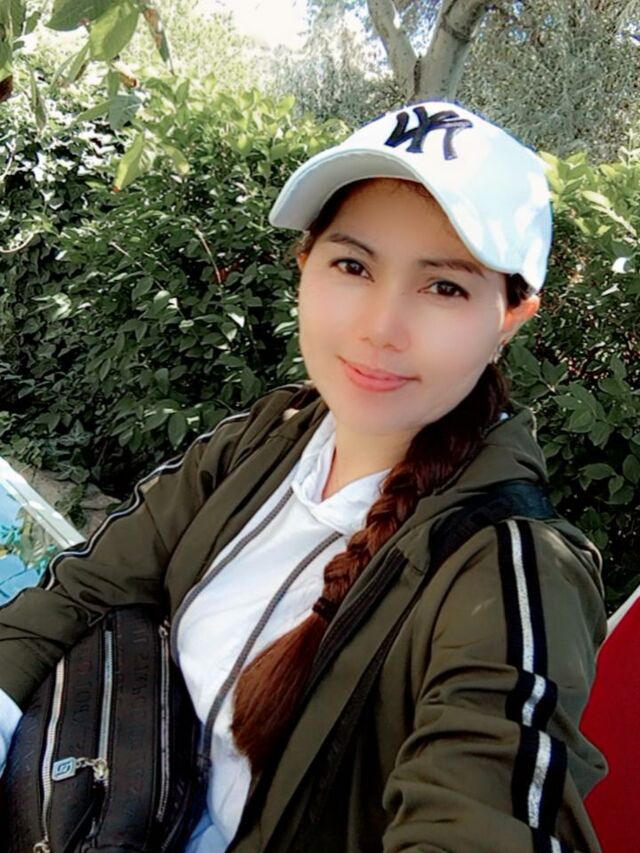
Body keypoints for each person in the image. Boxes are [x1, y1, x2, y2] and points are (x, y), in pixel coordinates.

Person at [0, 100, 607, 851]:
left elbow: (485, 801)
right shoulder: (267, 437)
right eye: (353, 266)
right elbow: (82, 590)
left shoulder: (514, 570)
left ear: (509, 319)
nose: (380, 327)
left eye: (445, 287)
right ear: (305, 266)